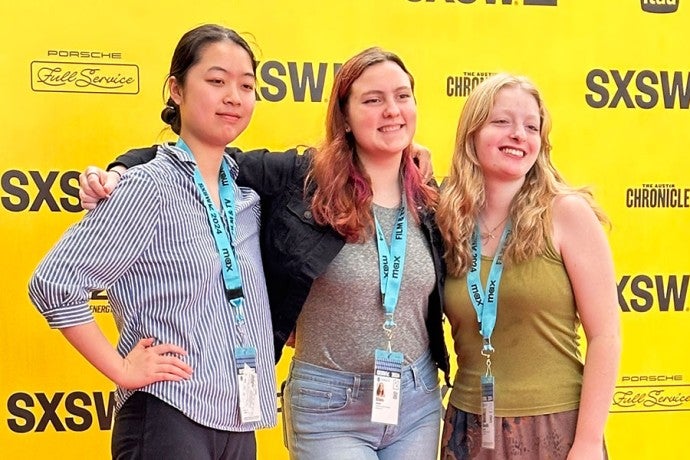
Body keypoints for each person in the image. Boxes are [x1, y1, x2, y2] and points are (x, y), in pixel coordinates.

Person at [80, 47, 450, 459]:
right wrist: (117, 171)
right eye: (373, 99)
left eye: (402, 96)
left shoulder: (431, 197)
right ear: (344, 115)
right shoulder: (302, 177)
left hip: (416, 400)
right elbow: (201, 156)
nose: (392, 110)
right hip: (329, 405)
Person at [28, 24, 276, 459]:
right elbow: (53, 281)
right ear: (176, 90)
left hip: (239, 416)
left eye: (246, 85)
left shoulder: (247, 200)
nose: (234, 96)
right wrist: (121, 369)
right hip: (169, 413)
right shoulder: (147, 187)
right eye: (216, 81)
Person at [436, 73, 621, 459]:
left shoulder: (567, 213)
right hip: (468, 427)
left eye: (531, 126)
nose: (519, 134)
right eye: (501, 122)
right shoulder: (446, 219)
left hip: (555, 427)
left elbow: (605, 336)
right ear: (472, 133)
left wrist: (587, 442)